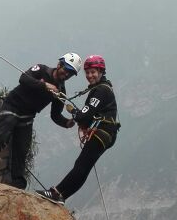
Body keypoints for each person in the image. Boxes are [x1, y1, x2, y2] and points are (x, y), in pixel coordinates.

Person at [0, 52, 82, 190]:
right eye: (66, 70)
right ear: (59, 64)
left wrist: (66, 123)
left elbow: (55, 115)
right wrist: (45, 85)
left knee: (22, 149)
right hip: (12, 107)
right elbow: (23, 79)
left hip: (27, 117)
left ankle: (18, 184)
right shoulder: (41, 69)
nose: (66, 74)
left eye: (70, 74)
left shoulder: (60, 91)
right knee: (1, 136)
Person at [37, 54, 119, 204]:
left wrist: (74, 112)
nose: (90, 75)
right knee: (83, 167)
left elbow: (83, 116)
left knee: (81, 165)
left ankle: (56, 193)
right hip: (106, 133)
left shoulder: (101, 91)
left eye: (93, 72)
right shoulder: (103, 88)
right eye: (87, 73)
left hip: (102, 132)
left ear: (101, 72)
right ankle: (62, 196)